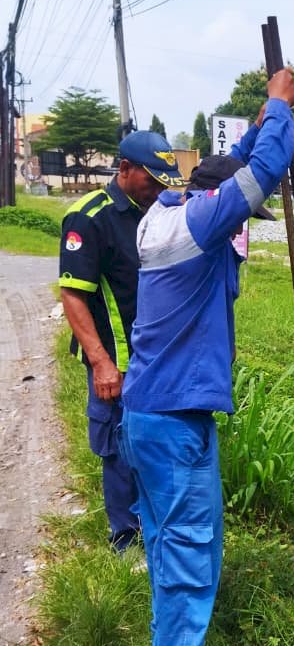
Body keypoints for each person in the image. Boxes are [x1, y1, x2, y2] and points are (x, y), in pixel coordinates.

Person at [118, 69, 294, 646]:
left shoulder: (171, 218)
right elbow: (260, 173)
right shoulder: (193, 228)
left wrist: (253, 127)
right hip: (170, 418)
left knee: (185, 540)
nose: (244, 231)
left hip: (167, 414)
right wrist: (278, 109)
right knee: (187, 543)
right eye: (242, 222)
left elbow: (233, 168)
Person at [59, 130, 186, 552]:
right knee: (116, 446)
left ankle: (154, 526)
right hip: (115, 359)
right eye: (151, 181)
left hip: (155, 357)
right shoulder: (90, 217)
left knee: (151, 443)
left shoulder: (159, 212)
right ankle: (126, 539)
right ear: (125, 169)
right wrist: (100, 362)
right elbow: (74, 295)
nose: (158, 189)